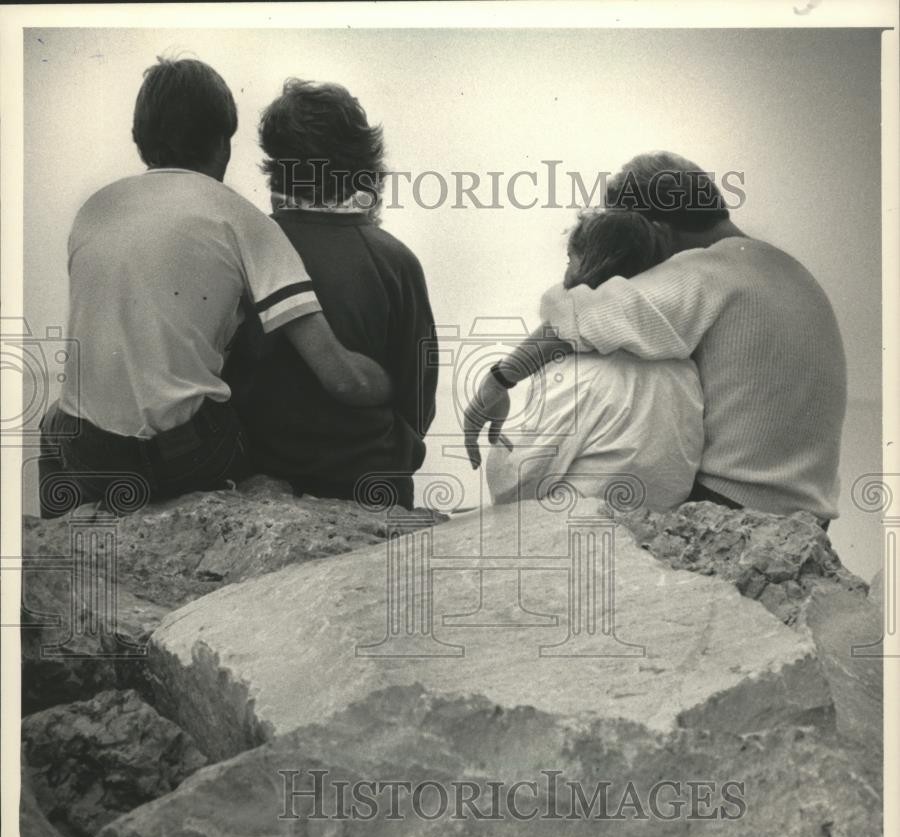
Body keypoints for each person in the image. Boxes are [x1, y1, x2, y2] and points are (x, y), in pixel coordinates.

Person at [39, 58, 391, 518]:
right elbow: (340, 376)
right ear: (224, 143)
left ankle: (60, 539)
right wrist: (385, 384)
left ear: (139, 140)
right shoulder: (242, 219)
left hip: (91, 458)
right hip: (188, 460)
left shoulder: (93, 210)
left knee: (52, 426)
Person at [465, 152, 847, 525]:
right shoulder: (786, 269)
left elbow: (577, 317)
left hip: (735, 509)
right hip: (809, 515)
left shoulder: (707, 270)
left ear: (659, 230)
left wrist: (499, 380)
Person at [226, 79, 438, 510]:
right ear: (363, 161)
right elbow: (419, 405)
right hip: (372, 486)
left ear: (276, 164)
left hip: (262, 489)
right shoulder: (395, 261)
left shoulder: (242, 251)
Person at [485, 209, 703, 510]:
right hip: (658, 527)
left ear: (589, 263)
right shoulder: (684, 365)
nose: (565, 271)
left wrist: (498, 447)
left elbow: (518, 488)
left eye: (570, 259)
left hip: (583, 533)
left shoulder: (574, 372)